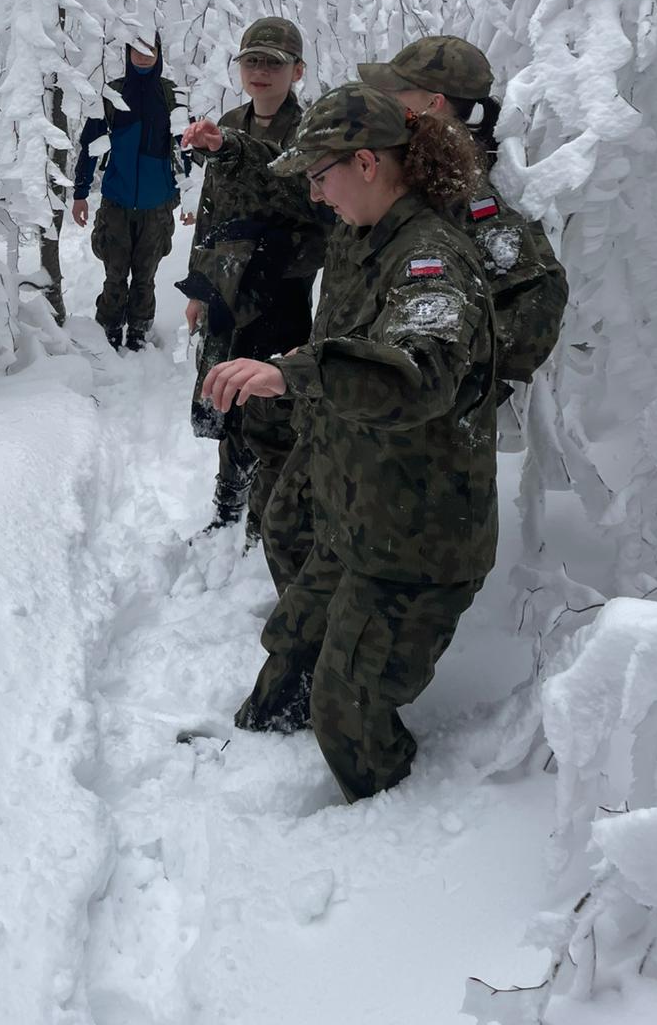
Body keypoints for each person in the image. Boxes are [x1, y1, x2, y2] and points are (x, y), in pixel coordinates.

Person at [187, 84, 497, 802]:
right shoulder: (365, 236)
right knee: (289, 648)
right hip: (359, 509)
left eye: (321, 177)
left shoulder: (429, 258)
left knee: (346, 712)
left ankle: (390, 831)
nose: (316, 196)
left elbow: (419, 372)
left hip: (416, 536)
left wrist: (291, 372)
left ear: (365, 163)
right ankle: (256, 764)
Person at [175, 17, 327, 540]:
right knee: (222, 390)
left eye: (273, 62)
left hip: (281, 286)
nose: (260, 71)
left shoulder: (309, 132)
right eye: (251, 61)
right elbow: (211, 208)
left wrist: (232, 153)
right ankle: (228, 505)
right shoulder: (231, 121)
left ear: (297, 71)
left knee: (269, 401)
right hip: (226, 280)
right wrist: (199, 285)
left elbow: (309, 204)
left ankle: (268, 518)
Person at [356, 35, 568, 402]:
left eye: (396, 90)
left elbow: (534, 309)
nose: (385, 99)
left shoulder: (467, 193)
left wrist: (458, 379)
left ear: (432, 103)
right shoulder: (420, 168)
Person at [72, 34, 190, 350]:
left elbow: (188, 148)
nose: (141, 56)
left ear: (159, 52)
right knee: (114, 275)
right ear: (126, 52)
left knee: (145, 278)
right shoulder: (113, 93)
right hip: (116, 202)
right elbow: (89, 145)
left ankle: (139, 332)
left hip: (157, 205)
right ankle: (108, 331)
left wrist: (191, 197)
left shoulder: (171, 96)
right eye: (135, 49)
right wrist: (80, 192)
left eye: (148, 49)